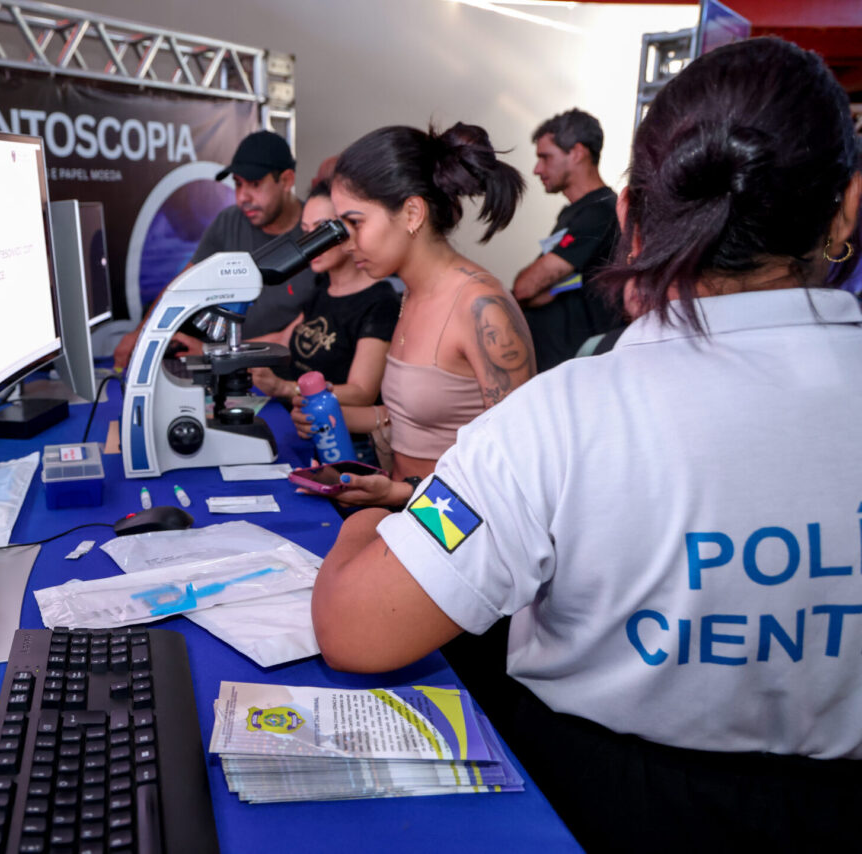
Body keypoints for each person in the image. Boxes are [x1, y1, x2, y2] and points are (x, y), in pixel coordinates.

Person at [311, 37, 862, 852]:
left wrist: (368, 522)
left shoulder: (557, 418)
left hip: (596, 811)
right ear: (847, 205)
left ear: (632, 217)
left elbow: (358, 629)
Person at [298, 122, 532, 507]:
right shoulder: (410, 294)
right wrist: (327, 416)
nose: (346, 242)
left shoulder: (482, 309)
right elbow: (415, 417)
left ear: (411, 213)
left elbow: (515, 468)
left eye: (355, 223)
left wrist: (400, 494)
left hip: (455, 527)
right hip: (409, 509)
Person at [113, 130, 312, 370]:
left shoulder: (315, 234)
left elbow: (300, 335)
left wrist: (215, 352)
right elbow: (182, 285)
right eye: (238, 184)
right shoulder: (228, 221)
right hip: (224, 365)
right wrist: (141, 334)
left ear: (287, 180)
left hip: (281, 374)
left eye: (255, 184)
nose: (242, 197)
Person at [249, 181, 399, 464]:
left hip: (346, 444)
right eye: (305, 233)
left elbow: (362, 391)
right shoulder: (322, 288)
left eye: (321, 231)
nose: (310, 245)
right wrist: (221, 351)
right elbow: (285, 339)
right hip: (304, 431)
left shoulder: (380, 301)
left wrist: (283, 387)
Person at [512, 109, 621, 371]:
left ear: (577, 153)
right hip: (557, 365)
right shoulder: (577, 212)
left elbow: (525, 288)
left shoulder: (600, 211)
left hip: (575, 368)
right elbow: (532, 291)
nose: (537, 169)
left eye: (545, 157)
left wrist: (540, 289)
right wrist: (545, 288)